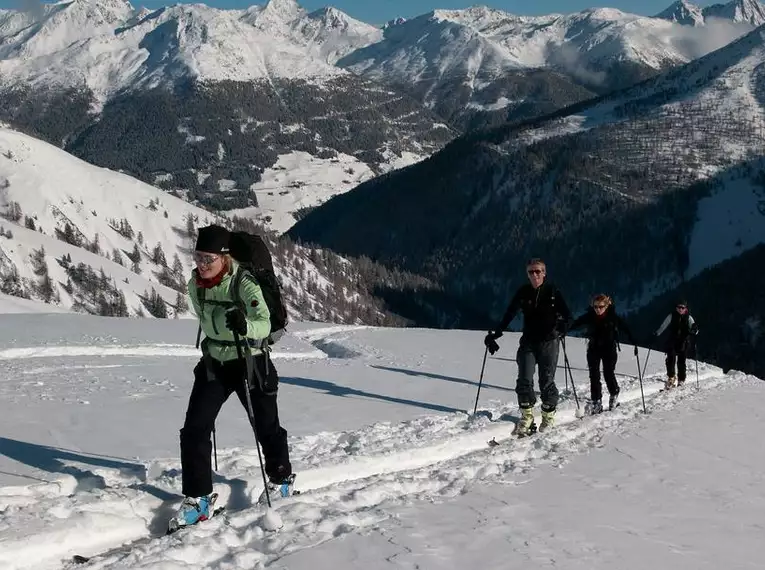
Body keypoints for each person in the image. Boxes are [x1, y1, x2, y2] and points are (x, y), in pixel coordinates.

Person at [175, 224, 293, 528]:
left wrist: (246, 326)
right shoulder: (195, 284)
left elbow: (264, 324)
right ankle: (198, 498)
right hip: (214, 362)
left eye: (208, 258)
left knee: (266, 426)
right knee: (194, 430)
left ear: (224, 258)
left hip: (250, 362)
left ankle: (280, 479)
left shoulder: (245, 283)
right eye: (198, 257)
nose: (201, 264)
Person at [484, 258, 571, 435]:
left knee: (546, 381)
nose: (535, 275)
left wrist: (563, 327)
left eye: (538, 271)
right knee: (524, 379)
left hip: (549, 342)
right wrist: (496, 334)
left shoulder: (553, 291)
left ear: (544, 273)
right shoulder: (523, 292)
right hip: (529, 341)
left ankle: (548, 416)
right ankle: (527, 416)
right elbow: (510, 312)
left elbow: (568, 316)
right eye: (531, 272)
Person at [568, 294, 637, 414]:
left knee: (608, 373)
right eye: (595, 307)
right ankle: (596, 400)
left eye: (601, 307)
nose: (598, 309)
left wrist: (634, 341)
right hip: (593, 348)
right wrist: (564, 329)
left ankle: (614, 393)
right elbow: (577, 323)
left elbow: (625, 328)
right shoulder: (590, 316)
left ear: (606, 306)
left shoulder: (612, 317)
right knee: (593, 375)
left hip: (609, 349)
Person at [655, 299, 698, 389]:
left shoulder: (689, 317)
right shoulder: (672, 316)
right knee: (670, 359)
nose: (680, 309)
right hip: (673, 340)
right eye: (679, 307)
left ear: (685, 308)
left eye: (682, 307)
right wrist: (657, 333)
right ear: (676, 307)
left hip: (684, 341)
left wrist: (694, 330)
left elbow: (695, 328)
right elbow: (664, 325)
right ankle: (671, 377)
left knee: (681, 361)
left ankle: (681, 379)